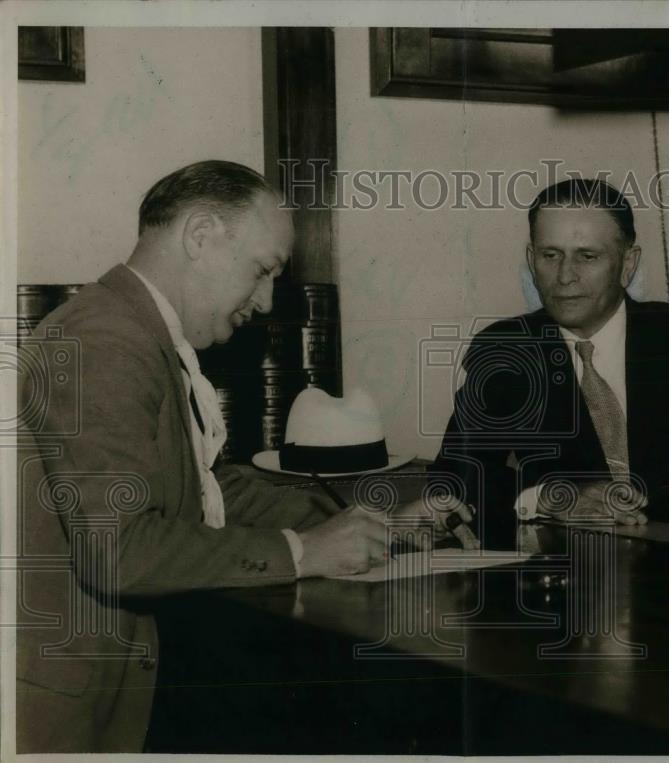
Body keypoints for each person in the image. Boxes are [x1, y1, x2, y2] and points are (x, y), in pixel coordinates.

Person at [16, 161, 475, 753]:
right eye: (263, 272)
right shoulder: (108, 341)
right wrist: (305, 550)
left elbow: (205, 490)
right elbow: (117, 550)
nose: (264, 301)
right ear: (200, 235)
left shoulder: (134, 331)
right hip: (61, 712)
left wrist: (370, 521)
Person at [430, 178, 669, 546]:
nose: (564, 276)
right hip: (574, 578)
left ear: (628, 264)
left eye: (587, 256)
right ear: (532, 261)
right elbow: (455, 479)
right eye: (550, 255)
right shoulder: (508, 351)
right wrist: (549, 497)